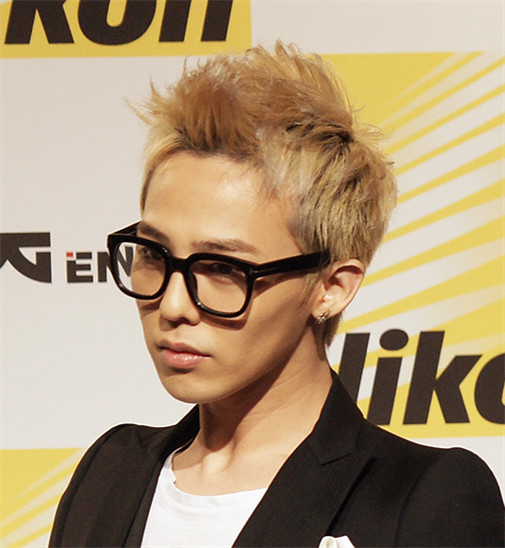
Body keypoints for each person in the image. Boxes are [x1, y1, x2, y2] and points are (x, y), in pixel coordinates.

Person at [49, 43, 504, 548]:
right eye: (154, 255)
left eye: (223, 268)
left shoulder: (420, 497)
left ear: (332, 287)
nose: (173, 306)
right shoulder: (112, 471)